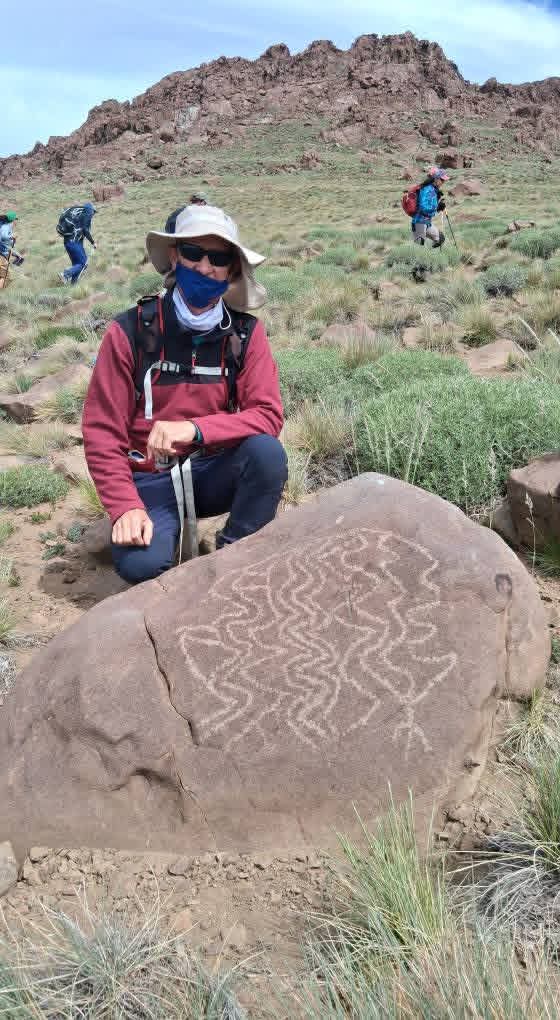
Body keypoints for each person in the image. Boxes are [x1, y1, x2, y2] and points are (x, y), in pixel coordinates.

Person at [82, 203, 287, 584]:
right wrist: (124, 505)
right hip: (149, 480)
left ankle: (232, 564)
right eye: (194, 252)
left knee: (266, 454)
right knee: (142, 566)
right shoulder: (130, 331)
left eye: (219, 258)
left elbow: (267, 415)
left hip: (211, 471)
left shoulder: (245, 334)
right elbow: (101, 431)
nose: (205, 267)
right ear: (175, 256)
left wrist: (195, 429)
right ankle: (158, 527)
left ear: (233, 270)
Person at [57, 202, 97, 284]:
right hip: (74, 243)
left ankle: (73, 285)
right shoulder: (86, 215)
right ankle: (65, 274)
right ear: (90, 210)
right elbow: (85, 230)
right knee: (83, 263)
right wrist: (93, 242)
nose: (93, 214)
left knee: (77, 265)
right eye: (93, 212)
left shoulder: (78, 218)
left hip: (69, 243)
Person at [411, 167, 449, 247]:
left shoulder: (433, 189)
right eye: (442, 180)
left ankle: (429, 253)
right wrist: (437, 207)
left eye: (444, 180)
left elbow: (430, 206)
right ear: (436, 179)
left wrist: (438, 206)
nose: (443, 182)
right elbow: (423, 207)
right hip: (419, 223)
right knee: (418, 248)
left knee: (440, 239)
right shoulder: (427, 189)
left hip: (427, 223)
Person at [0, 212, 24, 285]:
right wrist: (12, 236)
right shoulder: (5, 227)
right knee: (5, 277)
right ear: (13, 220)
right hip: (1, 255)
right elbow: (3, 236)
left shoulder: (7, 227)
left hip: (4, 253)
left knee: (4, 275)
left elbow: (7, 244)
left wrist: (16, 254)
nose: (17, 221)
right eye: (16, 219)